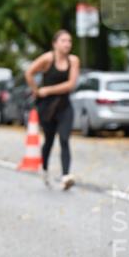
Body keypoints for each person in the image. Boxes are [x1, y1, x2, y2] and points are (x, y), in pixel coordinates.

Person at [24, 29, 80, 190]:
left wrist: (48, 89)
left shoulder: (74, 61)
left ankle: (65, 176)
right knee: (48, 140)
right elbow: (29, 72)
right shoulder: (48, 59)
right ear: (55, 44)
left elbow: (71, 85)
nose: (67, 44)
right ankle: (45, 170)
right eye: (63, 41)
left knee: (64, 139)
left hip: (64, 106)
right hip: (47, 107)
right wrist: (36, 90)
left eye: (69, 41)